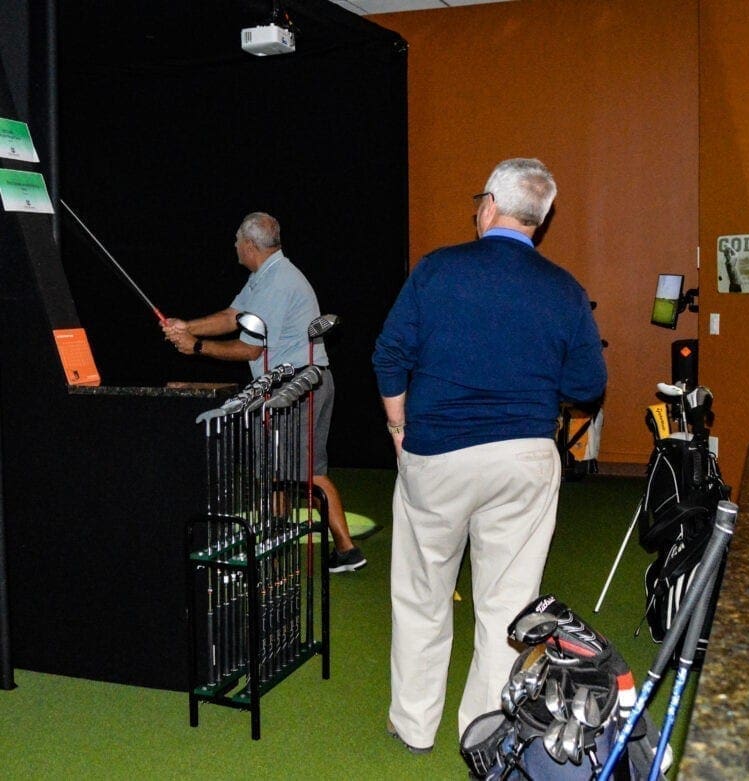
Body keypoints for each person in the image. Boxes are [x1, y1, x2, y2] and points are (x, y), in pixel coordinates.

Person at [372, 158, 607, 753]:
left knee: (422, 594)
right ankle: (483, 730)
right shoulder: (564, 289)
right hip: (524, 458)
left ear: (488, 207)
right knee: (507, 603)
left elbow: (389, 356)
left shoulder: (437, 270)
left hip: (437, 455)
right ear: (542, 217)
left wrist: (397, 424)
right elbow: (586, 386)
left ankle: (414, 724)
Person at [162, 211, 366, 572]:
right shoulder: (265, 275)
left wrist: (195, 347)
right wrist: (185, 325)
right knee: (277, 470)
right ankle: (278, 537)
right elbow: (232, 315)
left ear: (251, 245)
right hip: (297, 384)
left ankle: (344, 550)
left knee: (305, 473)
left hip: (298, 386)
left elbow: (250, 349)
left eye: (238, 241)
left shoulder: (278, 282)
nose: (235, 247)